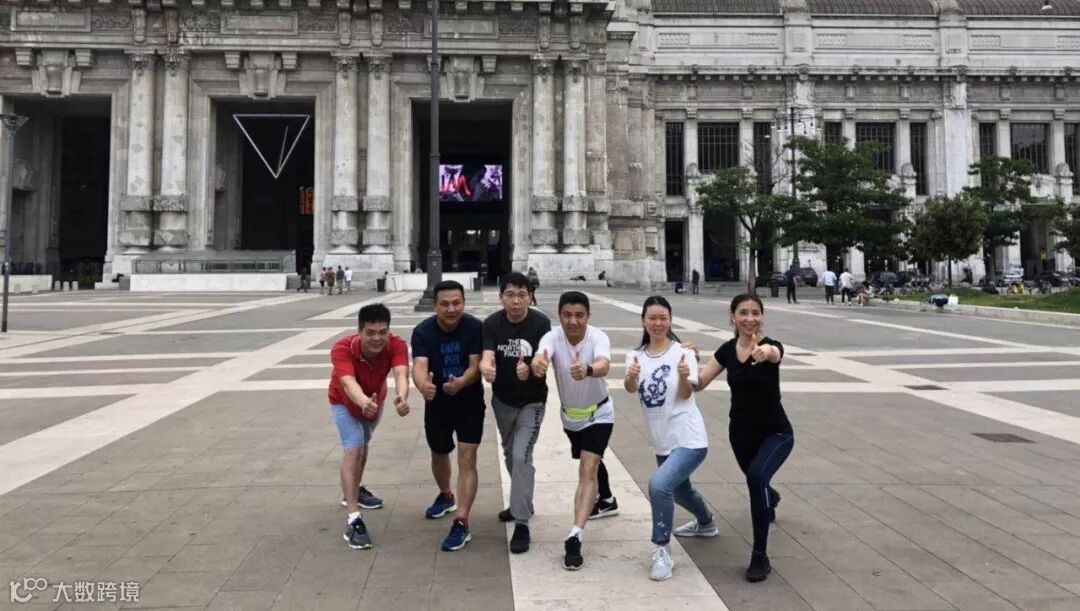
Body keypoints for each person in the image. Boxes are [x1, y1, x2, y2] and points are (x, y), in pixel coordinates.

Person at [695, 294, 794, 582]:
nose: (750, 318)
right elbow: (700, 383)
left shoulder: (771, 346)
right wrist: (685, 361)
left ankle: (760, 555)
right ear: (733, 316)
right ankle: (770, 497)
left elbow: (775, 354)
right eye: (743, 312)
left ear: (762, 317)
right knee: (757, 481)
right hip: (740, 433)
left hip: (776, 432)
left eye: (755, 313)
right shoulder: (727, 350)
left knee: (755, 478)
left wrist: (766, 352)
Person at [623, 296, 713, 582]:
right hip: (662, 439)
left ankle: (661, 549)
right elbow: (630, 388)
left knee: (659, 485)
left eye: (663, 318)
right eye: (652, 318)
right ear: (643, 321)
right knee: (680, 491)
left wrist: (685, 376)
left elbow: (686, 395)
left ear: (671, 320)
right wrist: (631, 376)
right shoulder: (635, 356)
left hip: (689, 438)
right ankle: (706, 523)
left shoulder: (683, 353)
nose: (658, 323)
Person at [531, 291, 620, 571]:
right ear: (559, 316)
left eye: (579, 315)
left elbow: (604, 364)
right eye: (567, 315)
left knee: (587, 468)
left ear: (588, 316)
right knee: (590, 459)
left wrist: (589, 369)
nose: (573, 321)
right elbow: (541, 355)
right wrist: (538, 364)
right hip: (571, 417)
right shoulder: (552, 336)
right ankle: (607, 499)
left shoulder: (598, 337)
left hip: (599, 413)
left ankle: (575, 536)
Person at [480, 272, 552, 554]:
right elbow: (487, 355)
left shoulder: (541, 323)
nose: (516, 301)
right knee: (511, 456)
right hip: (502, 401)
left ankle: (521, 523)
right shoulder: (491, 324)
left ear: (531, 297)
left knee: (522, 456)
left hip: (532, 402)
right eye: (510, 295)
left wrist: (534, 367)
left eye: (522, 295)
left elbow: (543, 356)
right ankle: (522, 502)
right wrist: (487, 368)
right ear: (501, 297)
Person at [328, 304, 410, 549]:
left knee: (363, 445)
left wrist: (402, 397)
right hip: (344, 402)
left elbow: (401, 374)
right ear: (359, 331)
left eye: (383, 332)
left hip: (376, 401)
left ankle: (354, 489)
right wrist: (363, 402)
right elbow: (347, 382)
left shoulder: (396, 344)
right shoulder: (342, 348)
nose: (377, 338)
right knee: (353, 448)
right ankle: (353, 518)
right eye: (370, 332)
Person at [411, 280, 485, 552]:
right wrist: (423, 386)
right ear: (434, 306)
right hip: (437, 403)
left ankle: (462, 521)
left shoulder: (475, 327)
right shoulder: (422, 332)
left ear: (464, 303)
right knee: (439, 452)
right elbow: (419, 366)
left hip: (469, 402)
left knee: (468, 457)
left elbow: (476, 365)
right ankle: (446, 495)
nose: (451, 309)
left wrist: (462, 382)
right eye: (444, 304)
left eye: (456, 303)